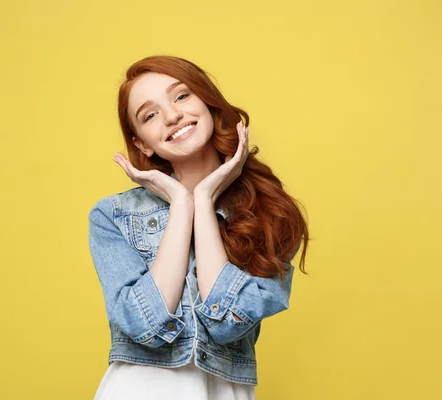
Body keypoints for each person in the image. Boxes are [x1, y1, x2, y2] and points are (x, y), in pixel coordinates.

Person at [88, 55, 309, 400]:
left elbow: (226, 324)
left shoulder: (271, 214)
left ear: (209, 104)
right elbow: (145, 325)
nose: (172, 115)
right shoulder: (113, 216)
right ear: (142, 143)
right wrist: (180, 203)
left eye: (181, 96)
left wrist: (203, 200)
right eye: (150, 115)